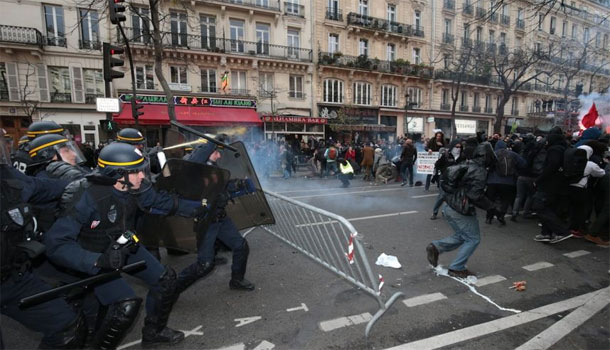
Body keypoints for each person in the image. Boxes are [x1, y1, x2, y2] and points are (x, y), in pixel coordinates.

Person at [43, 142, 207, 348]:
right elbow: (56, 244)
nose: (142, 176)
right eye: (136, 171)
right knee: (125, 306)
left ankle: (154, 333)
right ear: (118, 174)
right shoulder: (87, 196)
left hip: (123, 245)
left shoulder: (133, 188)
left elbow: (161, 202)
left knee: (165, 279)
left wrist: (200, 208)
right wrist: (95, 261)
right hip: (94, 256)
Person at [0, 129, 87, 349]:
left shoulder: (7, 177)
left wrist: (85, 181)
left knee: (67, 326)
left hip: (12, 277)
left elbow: (44, 187)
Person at [177, 141, 256, 293]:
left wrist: (240, 185)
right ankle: (172, 287)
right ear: (206, 153)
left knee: (240, 246)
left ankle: (237, 280)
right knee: (204, 264)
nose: (219, 155)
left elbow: (221, 188)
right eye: (216, 152)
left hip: (220, 217)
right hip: (206, 221)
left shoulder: (214, 169)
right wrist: (213, 141)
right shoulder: (195, 169)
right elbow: (195, 162)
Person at [426, 142, 497, 278]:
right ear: (487, 157)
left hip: (449, 206)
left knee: (462, 236)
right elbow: (475, 195)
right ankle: (457, 267)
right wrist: (491, 207)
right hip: (461, 209)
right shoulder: (479, 170)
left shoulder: (467, 164)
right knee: (473, 238)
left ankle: (436, 247)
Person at [533, 127, 572, 244]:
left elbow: (551, 166)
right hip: (559, 184)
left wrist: (539, 180)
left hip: (549, 183)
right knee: (549, 208)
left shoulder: (554, 149)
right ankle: (546, 233)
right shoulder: (564, 147)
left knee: (539, 206)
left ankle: (561, 231)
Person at [566, 145, 606, 236]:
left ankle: (564, 225)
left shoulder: (569, 160)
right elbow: (601, 173)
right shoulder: (590, 164)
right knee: (580, 209)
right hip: (581, 188)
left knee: (570, 207)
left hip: (568, 186)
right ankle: (575, 229)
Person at [485, 140, 526, 225]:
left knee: (491, 200)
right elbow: (523, 164)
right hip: (508, 182)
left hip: (492, 181)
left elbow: (485, 164)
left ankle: (489, 217)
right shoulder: (512, 154)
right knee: (505, 200)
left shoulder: (493, 154)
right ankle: (501, 215)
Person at [431, 140, 465, 220]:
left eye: (460, 147)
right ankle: (434, 212)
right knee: (442, 196)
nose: (458, 149)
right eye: (456, 147)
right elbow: (437, 164)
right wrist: (444, 171)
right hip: (445, 179)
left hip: (456, 179)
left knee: (453, 196)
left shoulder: (462, 156)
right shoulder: (446, 155)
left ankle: (446, 211)